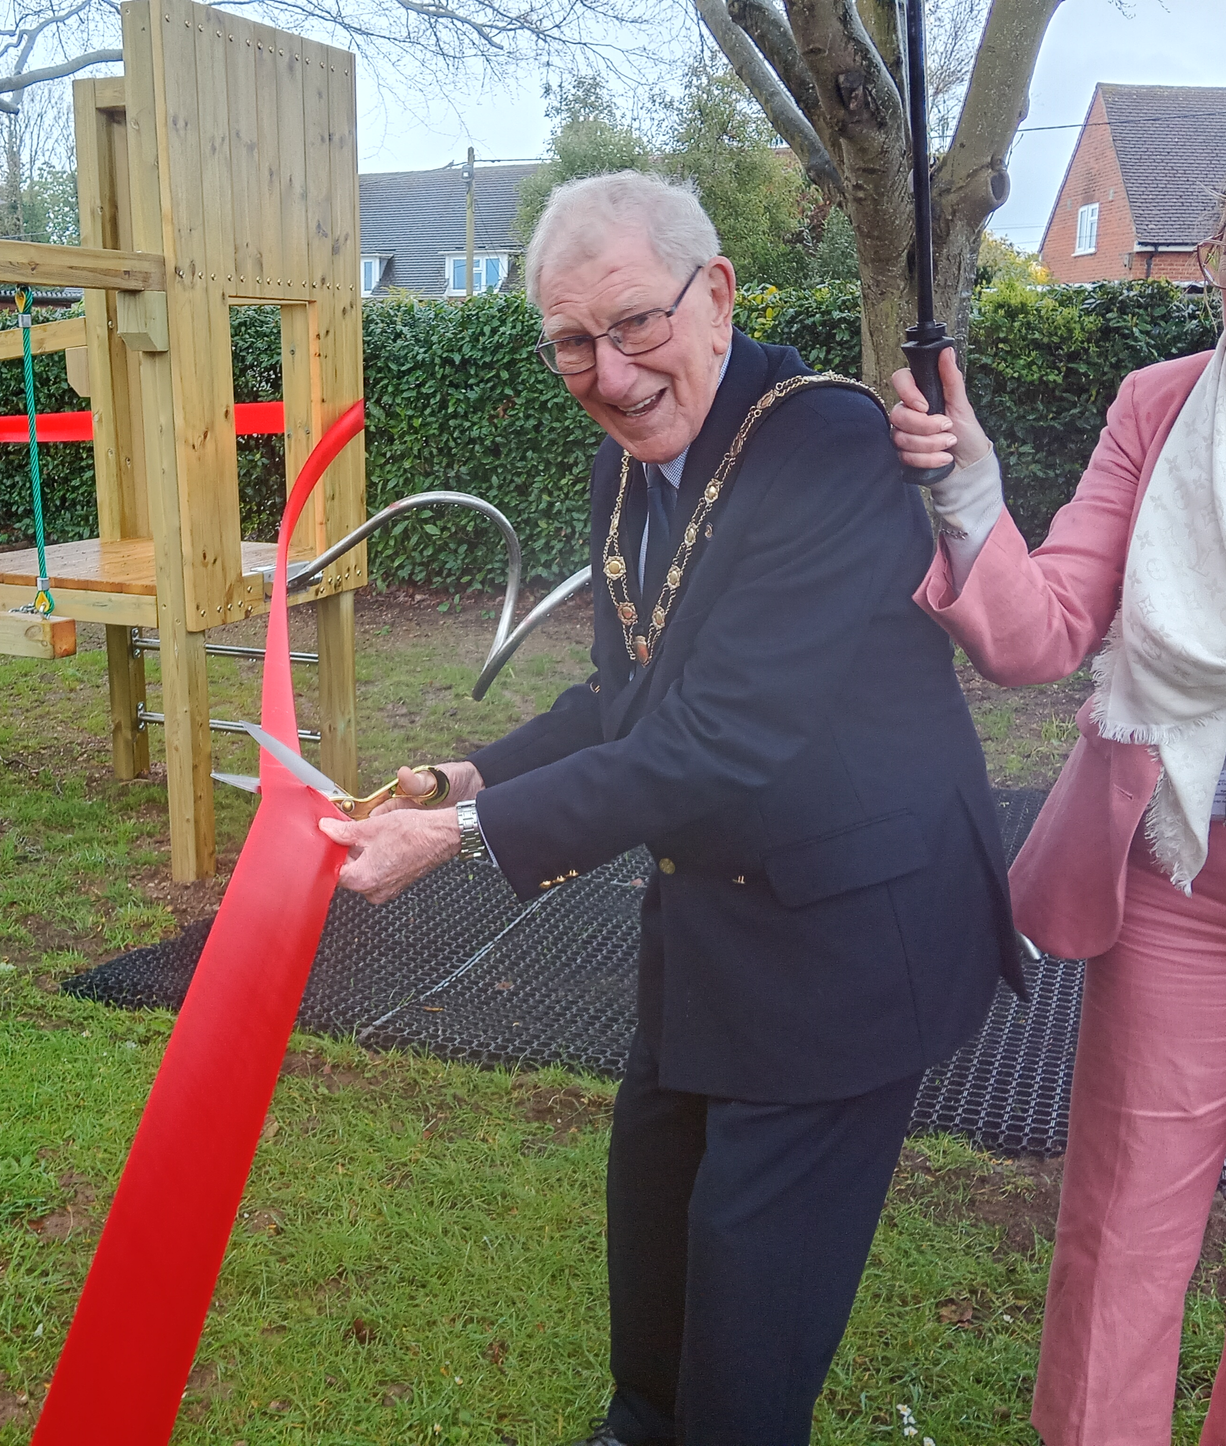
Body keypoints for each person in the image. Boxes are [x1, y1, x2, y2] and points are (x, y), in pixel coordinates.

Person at [318, 170, 1024, 1445]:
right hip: (710, 930)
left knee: (750, 1330)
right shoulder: (624, 462)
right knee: (654, 1256)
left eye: (635, 323)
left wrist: (464, 841)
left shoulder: (829, 445)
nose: (610, 370)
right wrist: (468, 776)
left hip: (854, 945)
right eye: (572, 344)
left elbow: (723, 737)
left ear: (717, 297)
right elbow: (628, 698)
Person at [888, 96, 1226, 1445]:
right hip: (1172, 872)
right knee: (1121, 1236)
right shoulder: (1159, 406)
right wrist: (972, 496)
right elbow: (1040, 630)